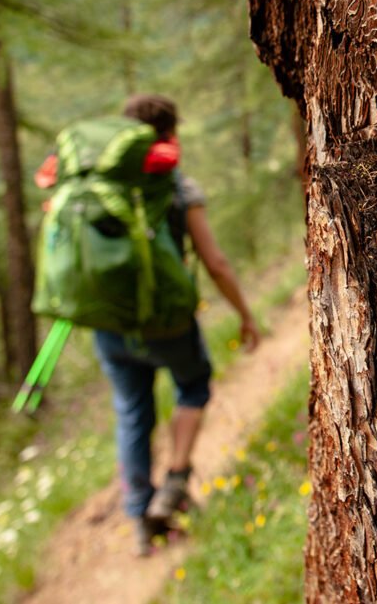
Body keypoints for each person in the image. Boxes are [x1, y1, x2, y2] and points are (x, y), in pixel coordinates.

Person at [68, 93, 261, 554]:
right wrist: (245, 314)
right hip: (168, 323)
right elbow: (214, 261)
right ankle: (174, 481)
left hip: (111, 327)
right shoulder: (176, 187)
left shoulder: (97, 187)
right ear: (170, 135)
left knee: (133, 412)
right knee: (193, 386)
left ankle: (139, 519)